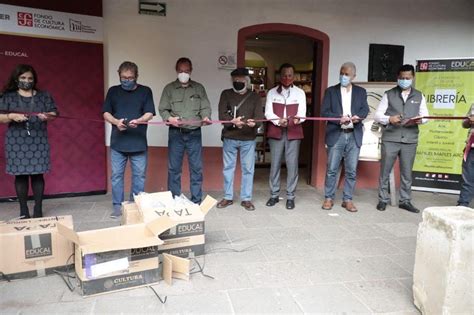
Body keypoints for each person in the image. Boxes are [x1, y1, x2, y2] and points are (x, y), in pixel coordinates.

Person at [0, 64, 58, 218]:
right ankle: (23, 211)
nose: (27, 80)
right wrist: (10, 116)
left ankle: (38, 209)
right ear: (17, 79)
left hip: (38, 140)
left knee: (38, 175)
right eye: (23, 78)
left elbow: (53, 113)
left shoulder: (44, 95)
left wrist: (47, 116)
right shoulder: (8, 96)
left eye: (30, 78)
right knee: (21, 176)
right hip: (16, 141)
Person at [103, 61, 155, 218]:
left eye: (130, 78)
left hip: (138, 143)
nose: (126, 80)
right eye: (123, 77)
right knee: (117, 176)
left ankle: (135, 205)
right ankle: (117, 206)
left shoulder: (145, 91)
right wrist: (116, 122)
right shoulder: (113, 91)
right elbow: (106, 113)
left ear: (136, 76)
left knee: (139, 176)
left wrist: (139, 120)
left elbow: (149, 114)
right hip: (118, 143)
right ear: (119, 74)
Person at [374, 64, 429, 213]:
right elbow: (377, 115)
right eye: (402, 78)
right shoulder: (389, 94)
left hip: (410, 139)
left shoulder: (419, 95)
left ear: (413, 78)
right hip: (390, 138)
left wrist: (420, 120)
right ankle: (383, 199)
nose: (405, 80)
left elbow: (426, 116)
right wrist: (389, 119)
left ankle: (405, 200)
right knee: (385, 171)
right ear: (398, 78)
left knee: (406, 172)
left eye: (408, 78)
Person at [159, 57, 211, 204]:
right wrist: (169, 118)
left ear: (191, 71)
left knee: (196, 169)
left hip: (194, 134)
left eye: (186, 71)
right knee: (174, 169)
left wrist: (206, 117)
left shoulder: (198, 88)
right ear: (176, 71)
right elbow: (163, 109)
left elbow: (205, 107)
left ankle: (196, 201)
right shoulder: (169, 89)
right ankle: (174, 200)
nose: (184, 73)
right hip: (176, 134)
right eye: (181, 71)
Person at [321, 62, 369, 212]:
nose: (343, 76)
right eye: (342, 73)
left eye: (347, 74)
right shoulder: (330, 91)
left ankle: (347, 199)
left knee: (351, 171)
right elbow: (325, 112)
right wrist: (338, 118)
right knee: (332, 169)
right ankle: (328, 198)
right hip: (337, 134)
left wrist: (358, 117)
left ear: (354, 76)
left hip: (354, 135)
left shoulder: (361, 92)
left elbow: (365, 110)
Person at [216, 68, 264, 211]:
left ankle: (246, 198)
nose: (237, 82)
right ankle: (228, 196)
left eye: (241, 80)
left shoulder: (254, 96)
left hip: (248, 138)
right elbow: (222, 116)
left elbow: (259, 118)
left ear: (247, 81)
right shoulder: (225, 94)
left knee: (248, 169)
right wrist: (232, 121)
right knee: (228, 168)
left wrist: (254, 123)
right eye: (235, 80)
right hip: (230, 137)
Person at [264, 63, 306, 210]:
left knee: (292, 165)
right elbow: (268, 112)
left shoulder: (300, 93)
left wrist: (296, 119)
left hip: (293, 132)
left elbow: (303, 114)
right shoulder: (272, 92)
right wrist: (278, 121)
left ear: (293, 76)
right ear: (279, 76)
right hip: (276, 132)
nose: (287, 78)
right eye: (284, 75)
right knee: (274, 164)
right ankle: (274, 195)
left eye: (289, 75)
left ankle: (290, 196)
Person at [457, 103, 474, 207]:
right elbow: (464, 123)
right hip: (471, 147)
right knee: (467, 179)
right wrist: (469, 121)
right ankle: (462, 205)